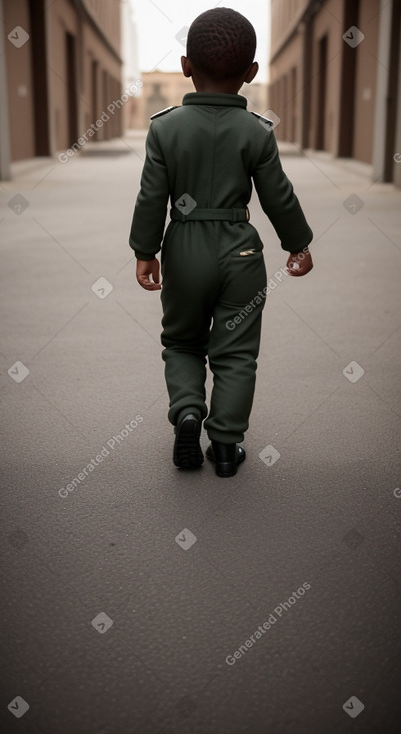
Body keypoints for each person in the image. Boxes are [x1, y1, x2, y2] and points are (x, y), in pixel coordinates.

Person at [129, 8, 313, 478]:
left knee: (183, 342)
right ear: (251, 74)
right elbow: (278, 196)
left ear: (186, 65)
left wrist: (145, 252)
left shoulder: (165, 128)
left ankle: (188, 411)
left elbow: (152, 197)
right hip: (242, 252)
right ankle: (227, 446)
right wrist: (299, 244)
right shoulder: (256, 132)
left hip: (184, 248)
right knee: (235, 351)